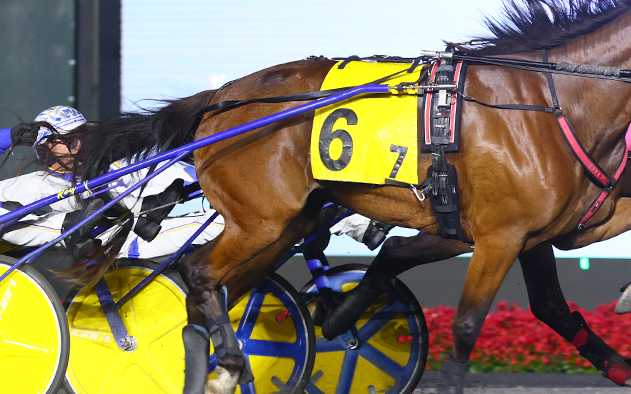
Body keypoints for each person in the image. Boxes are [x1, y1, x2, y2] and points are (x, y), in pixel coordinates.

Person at [0, 106, 388, 260]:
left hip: (158, 214)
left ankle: (357, 220)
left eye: (80, 135)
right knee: (247, 222)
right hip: (129, 238)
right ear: (45, 150)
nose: (78, 144)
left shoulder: (108, 163)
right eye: (65, 140)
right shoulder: (35, 185)